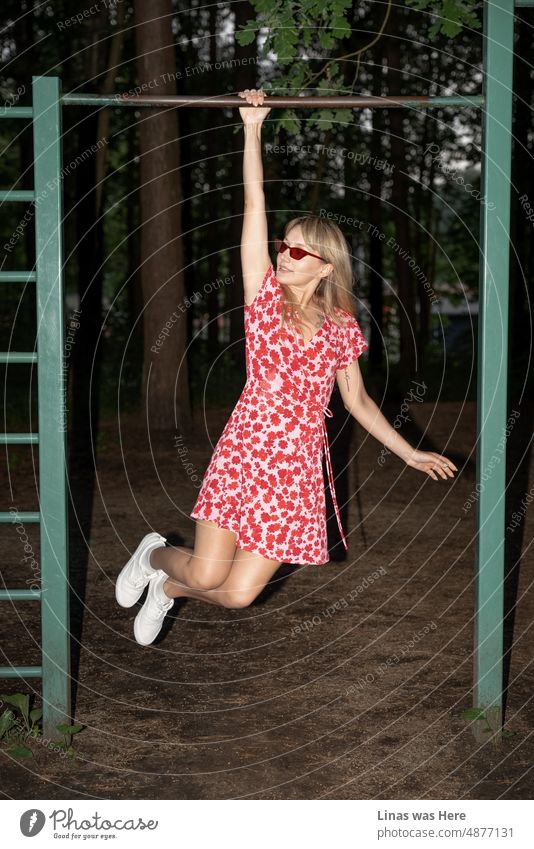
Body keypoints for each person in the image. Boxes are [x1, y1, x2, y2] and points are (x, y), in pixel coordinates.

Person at [115, 88, 457, 646]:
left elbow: (359, 403)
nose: (284, 254)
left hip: (295, 471)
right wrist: (252, 131)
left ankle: (166, 589)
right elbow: (254, 209)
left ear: (325, 267)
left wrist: (411, 451)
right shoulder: (264, 301)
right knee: (206, 570)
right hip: (247, 452)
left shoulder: (343, 327)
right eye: (285, 245)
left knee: (238, 593)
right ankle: (153, 553)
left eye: (299, 251)